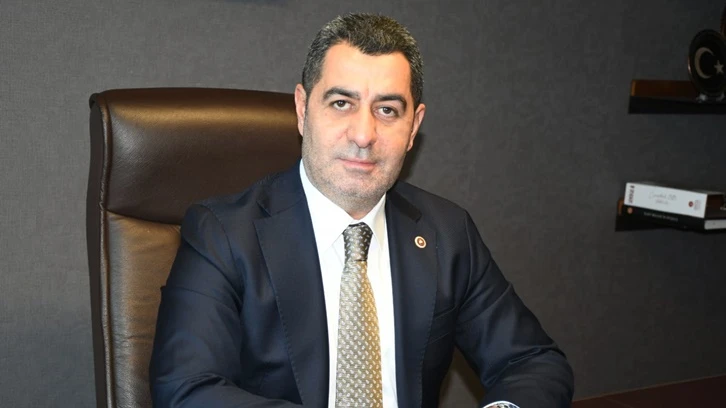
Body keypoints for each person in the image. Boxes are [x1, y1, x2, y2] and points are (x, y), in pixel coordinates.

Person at [149, 13, 574, 408]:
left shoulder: (447, 232)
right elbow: (188, 389)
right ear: (302, 109)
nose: (364, 135)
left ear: (413, 127)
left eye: (387, 110)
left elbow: (533, 362)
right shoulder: (223, 234)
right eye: (342, 103)